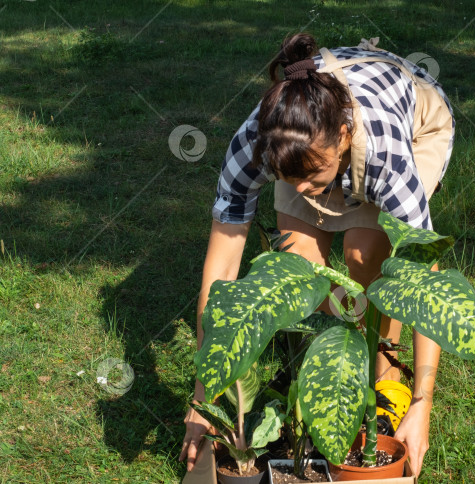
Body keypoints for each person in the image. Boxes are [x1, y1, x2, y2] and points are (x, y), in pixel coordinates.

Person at [179, 33, 455, 478]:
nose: (302, 190)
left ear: (343, 137)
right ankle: (321, 368)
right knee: (299, 260)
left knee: (364, 254)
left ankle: (387, 378)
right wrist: (203, 396)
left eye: (310, 177)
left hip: (416, 120)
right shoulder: (259, 145)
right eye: (290, 178)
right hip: (314, 136)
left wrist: (424, 405)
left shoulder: (385, 154)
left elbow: (423, 285)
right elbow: (221, 271)